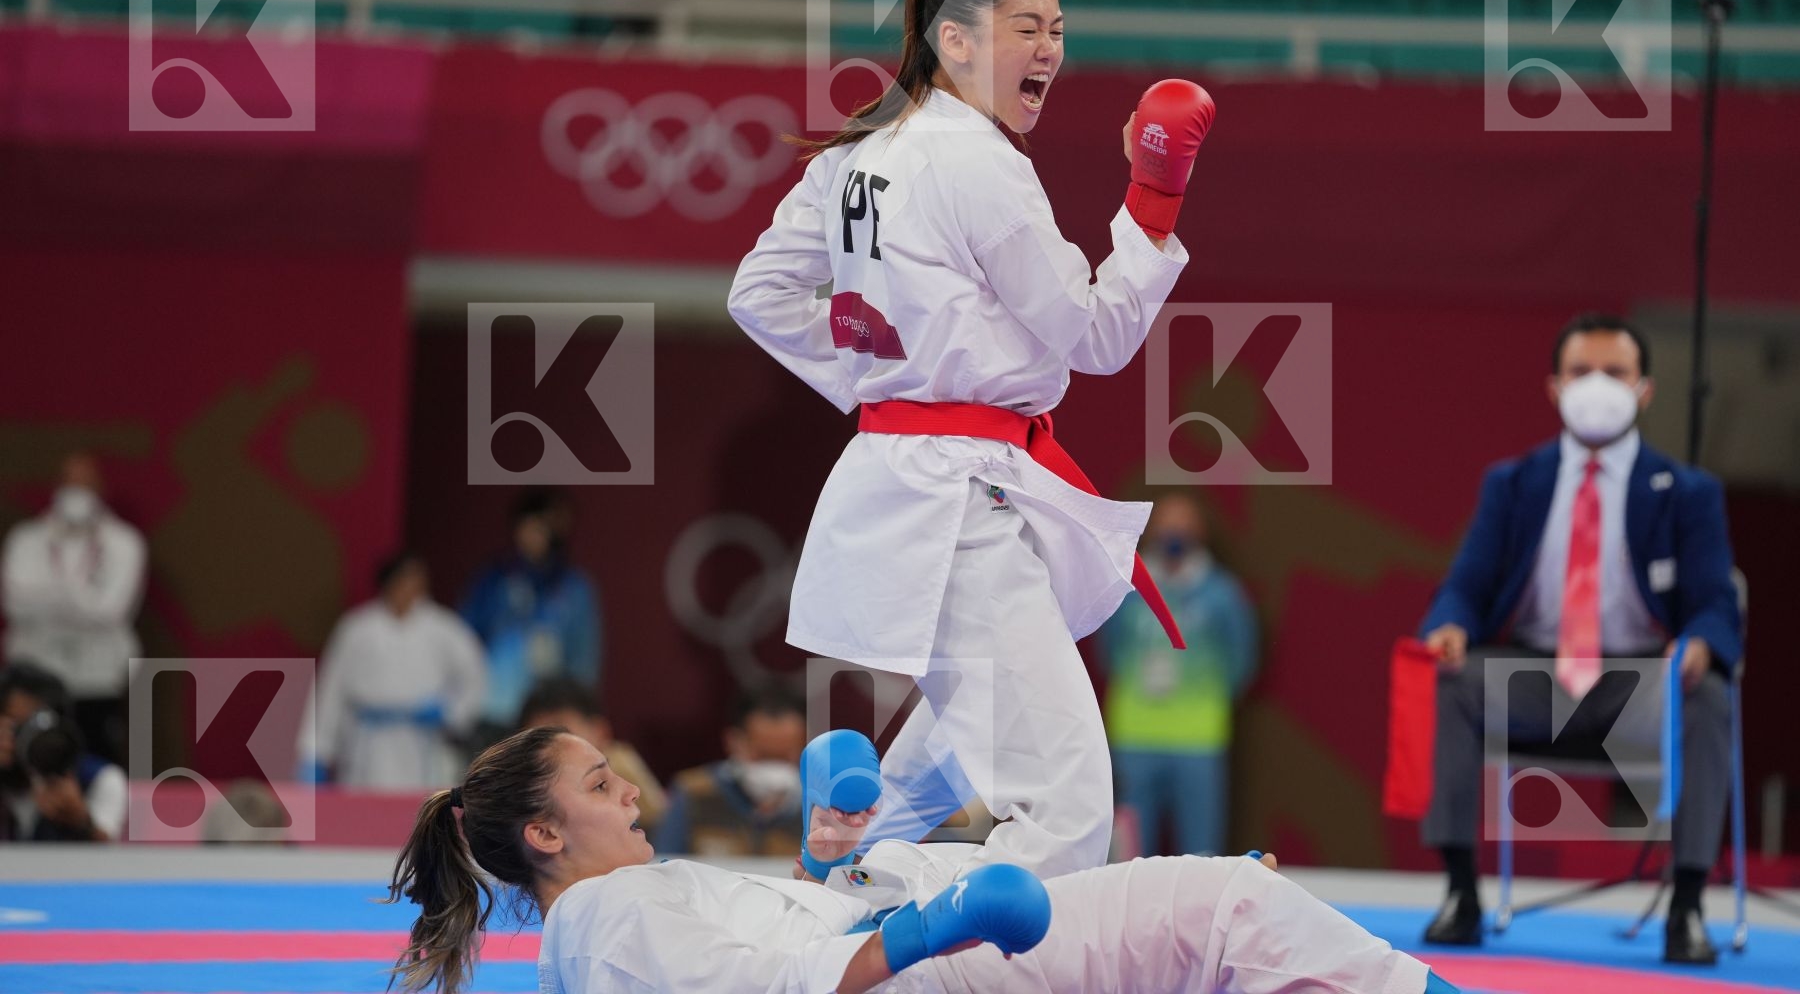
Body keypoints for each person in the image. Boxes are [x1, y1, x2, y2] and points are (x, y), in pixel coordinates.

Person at [727, 0, 1214, 880]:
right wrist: (1155, 205)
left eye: (1059, 31)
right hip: (957, 492)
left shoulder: (858, 151)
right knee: (1067, 813)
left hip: (913, 474)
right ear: (953, 41)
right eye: (1026, 27)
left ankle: (853, 850)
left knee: (965, 733)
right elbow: (1097, 336)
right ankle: (902, 918)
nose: (1050, 50)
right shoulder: (978, 159)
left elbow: (760, 293)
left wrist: (885, 366)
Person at [385, 725, 1461, 994]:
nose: (626, 784)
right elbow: (776, 988)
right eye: (596, 782)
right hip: (916, 969)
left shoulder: (623, 911)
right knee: (1226, 907)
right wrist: (935, 925)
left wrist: (821, 857)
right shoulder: (606, 921)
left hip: (905, 948)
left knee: (1213, 927)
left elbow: (769, 947)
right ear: (542, 834)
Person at [1417, 313, 1743, 965]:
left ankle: (1686, 907)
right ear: (1554, 387)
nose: (1598, 386)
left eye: (1615, 373)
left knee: (1708, 693)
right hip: (1533, 679)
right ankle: (1460, 894)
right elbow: (1466, 586)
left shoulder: (1688, 492)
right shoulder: (1512, 484)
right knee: (1451, 679)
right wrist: (1448, 627)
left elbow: (1714, 603)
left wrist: (1701, 642)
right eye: (1581, 372)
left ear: (1644, 389)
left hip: (1642, 684)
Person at [1102, 492, 1259, 857]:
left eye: (1184, 523)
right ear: (1151, 529)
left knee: (1202, 848)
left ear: (1201, 532)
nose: (1175, 531)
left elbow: (1242, 661)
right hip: (1135, 736)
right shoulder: (1127, 589)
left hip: (1198, 739)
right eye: (1167, 523)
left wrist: (1205, 698)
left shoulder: (1222, 595)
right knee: (1130, 852)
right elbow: (1109, 653)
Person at [2, 451, 145, 765]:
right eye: (69, 481)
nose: (75, 492)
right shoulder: (25, 540)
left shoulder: (124, 543)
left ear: (100, 488)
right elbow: (14, 604)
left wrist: (50, 597)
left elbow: (111, 611)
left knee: (95, 763)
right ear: (56, 485)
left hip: (96, 679)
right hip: (35, 676)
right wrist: (81, 601)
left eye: (85, 483)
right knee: (27, 764)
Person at [299, 551, 488, 789]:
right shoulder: (357, 628)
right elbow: (331, 691)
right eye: (407, 580)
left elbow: (475, 674)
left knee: (421, 813)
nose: (413, 588)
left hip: (421, 742)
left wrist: (451, 711)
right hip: (367, 744)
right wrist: (316, 751)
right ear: (390, 583)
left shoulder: (444, 628)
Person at [461, 489, 601, 740]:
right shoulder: (494, 579)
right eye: (527, 527)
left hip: (547, 713)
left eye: (541, 528)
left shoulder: (573, 587)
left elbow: (584, 656)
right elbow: (465, 638)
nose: (532, 536)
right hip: (494, 706)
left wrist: (576, 707)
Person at [660, 686, 806, 858]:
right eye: (762, 756)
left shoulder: (819, 806)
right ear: (733, 741)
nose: (773, 768)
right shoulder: (693, 793)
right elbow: (661, 865)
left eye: (783, 757)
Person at [518, 677, 667, 832]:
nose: (551, 751)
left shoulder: (621, 768)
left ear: (601, 732)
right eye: (539, 742)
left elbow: (660, 824)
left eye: (563, 736)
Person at [0, 660, 126, 842]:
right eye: (17, 727)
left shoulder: (101, 778)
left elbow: (107, 859)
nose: (26, 740)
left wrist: (79, 819)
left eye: (35, 727)